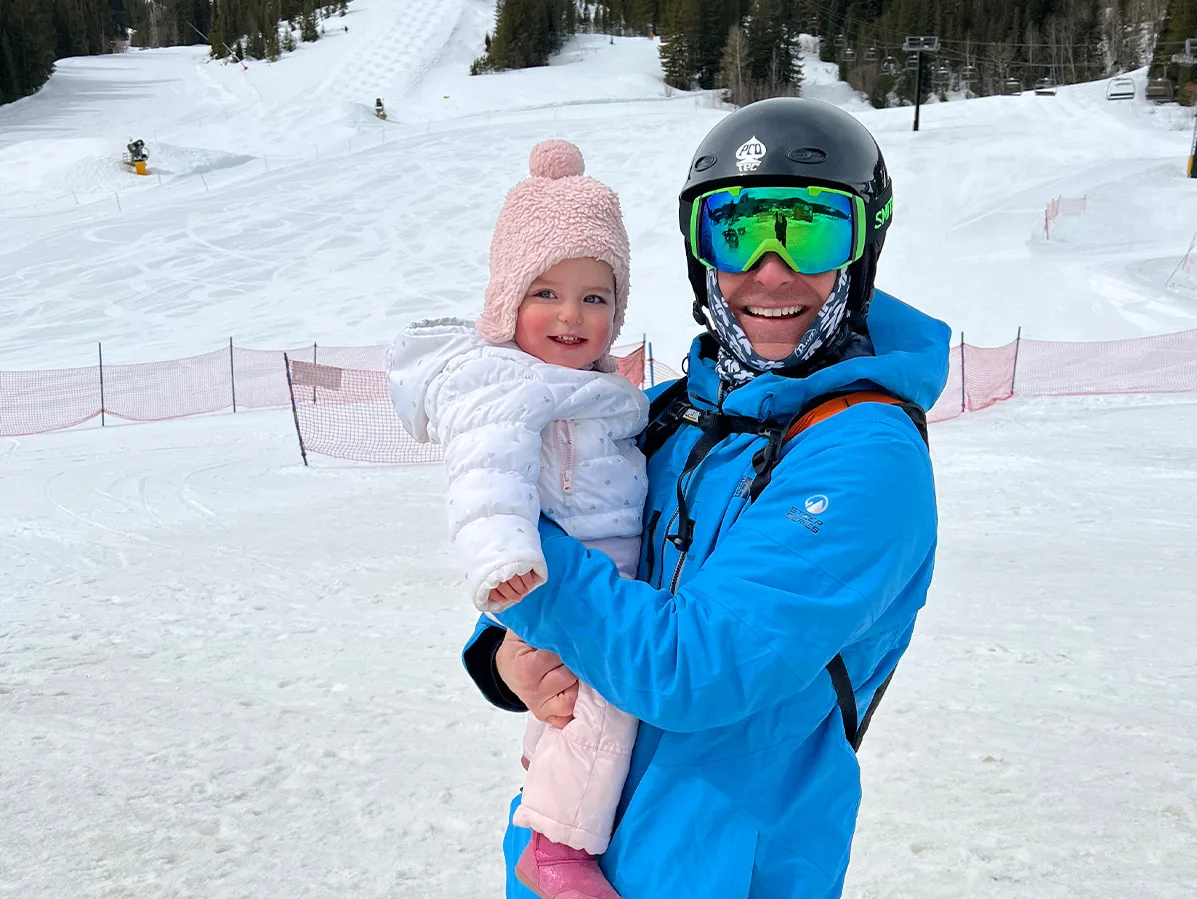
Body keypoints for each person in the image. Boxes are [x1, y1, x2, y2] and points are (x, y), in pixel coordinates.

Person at [462, 98, 952, 897]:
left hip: (719, 867)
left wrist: (501, 524)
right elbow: (554, 561)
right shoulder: (657, 414)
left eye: (810, 228)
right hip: (560, 853)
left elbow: (696, 669)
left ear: (863, 249)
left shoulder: (865, 454)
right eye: (735, 229)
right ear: (699, 253)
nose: (769, 268)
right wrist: (501, 650)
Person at [388, 140, 645, 899]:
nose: (571, 315)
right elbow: (486, 476)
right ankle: (557, 846)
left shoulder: (592, 387)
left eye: (595, 298)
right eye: (545, 292)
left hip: (605, 572)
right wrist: (503, 564)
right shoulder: (505, 384)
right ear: (505, 301)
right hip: (559, 577)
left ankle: (551, 796)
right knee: (605, 706)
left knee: (575, 710)